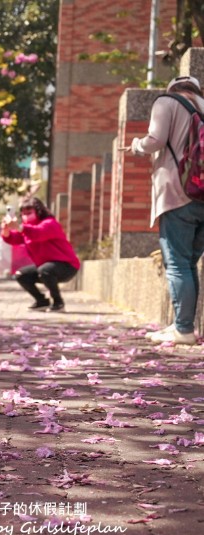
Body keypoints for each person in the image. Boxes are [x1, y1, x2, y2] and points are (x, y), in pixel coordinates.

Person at [128, 75, 204, 345]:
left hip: (177, 191)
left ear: (172, 89)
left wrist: (137, 145)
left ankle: (183, 328)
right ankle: (183, 326)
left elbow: (156, 140)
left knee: (177, 264)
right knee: (189, 264)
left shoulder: (167, 102)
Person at [0, 196, 80, 312]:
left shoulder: (50, 224)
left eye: (29, 212)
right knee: (21, 274)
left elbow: (38, 233)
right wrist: (6, 230)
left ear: (38, 211)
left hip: (67, 266)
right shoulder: (26, 229)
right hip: (45, 267)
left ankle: (58, 303)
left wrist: (19, 227)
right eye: (24, 213)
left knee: (45, 270)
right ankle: (41, 301)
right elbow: (13, 239)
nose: (26, 216)